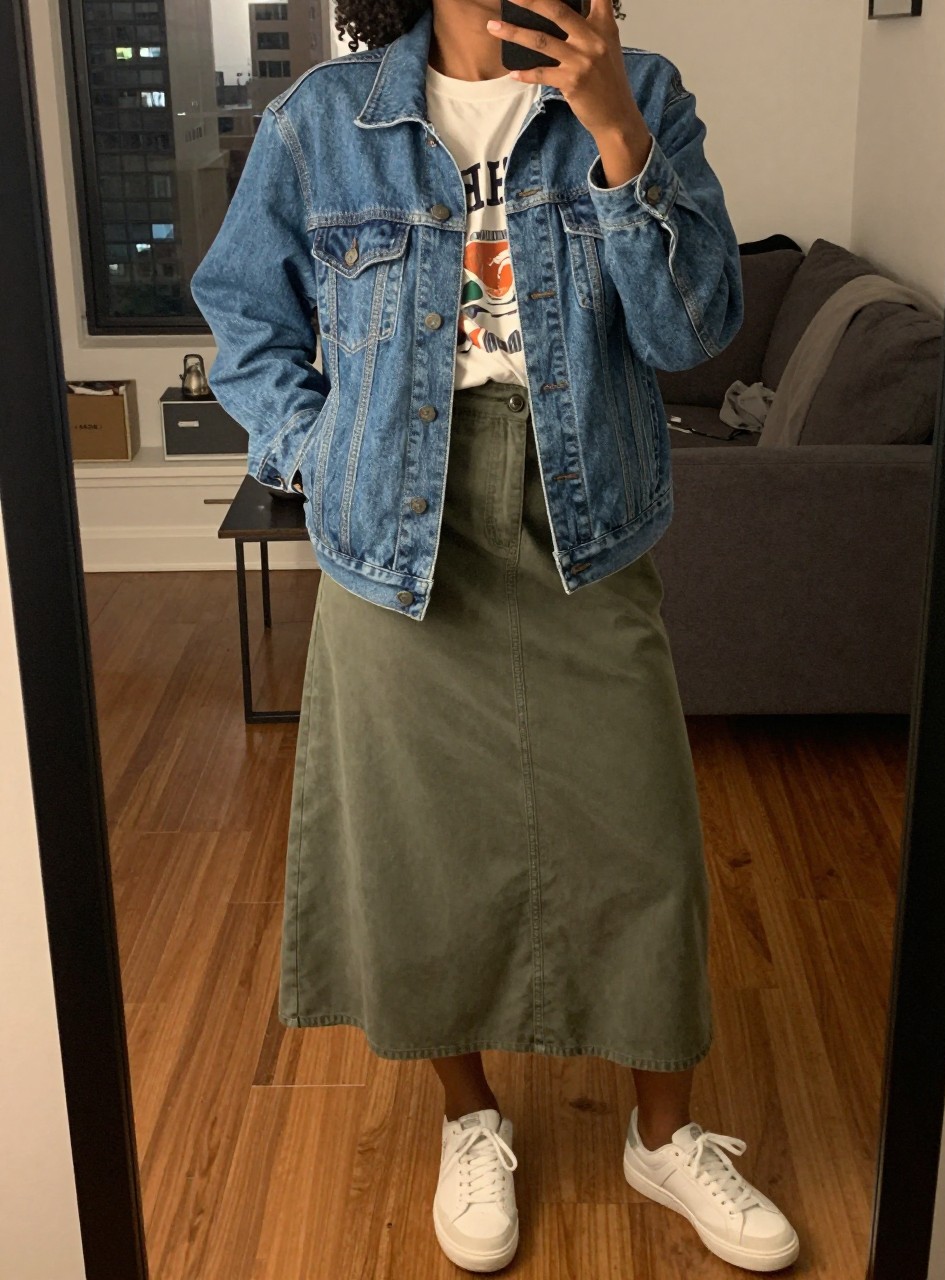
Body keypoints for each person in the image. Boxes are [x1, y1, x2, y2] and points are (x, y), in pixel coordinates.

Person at [191, 0, 800, 1272]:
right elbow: (245, 320)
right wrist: (317, 452)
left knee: (644, 844)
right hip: (398, 533)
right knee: (422, 852)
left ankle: (662, 1132)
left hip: (586, 516)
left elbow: (693, 333)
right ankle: (469, 1115)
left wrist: (619, 130)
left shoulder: (642, 93)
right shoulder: (322, 122)